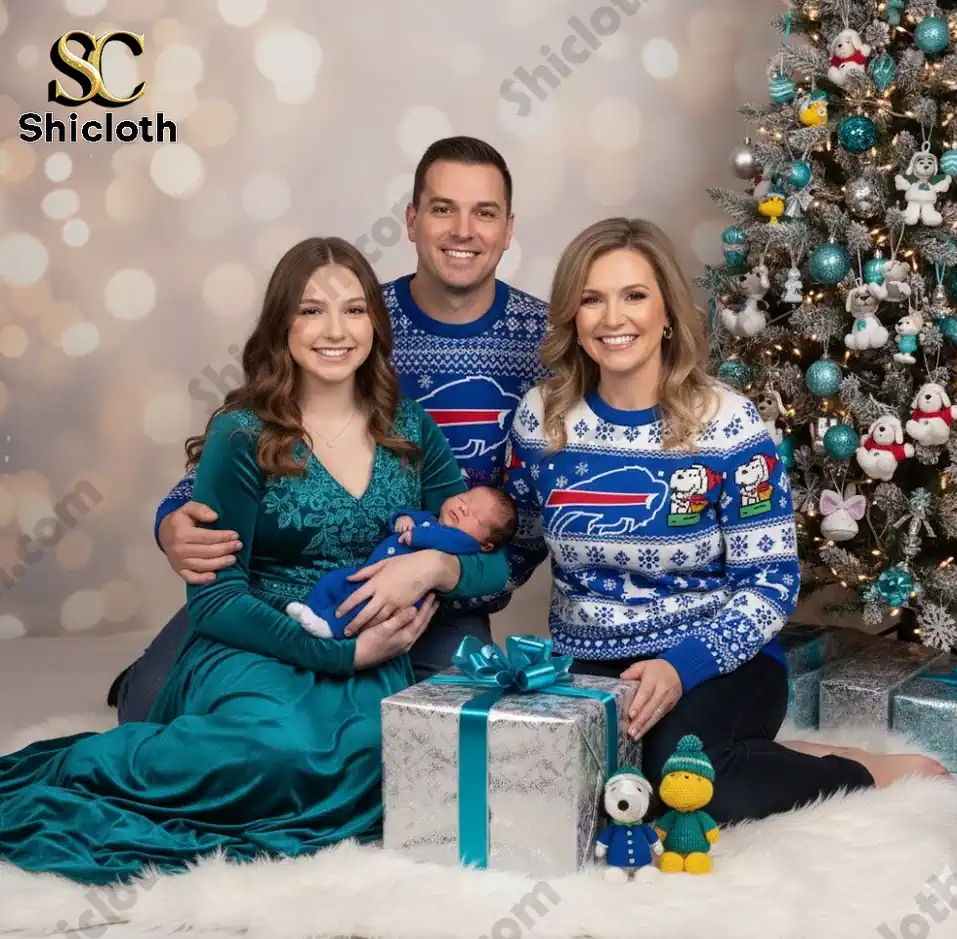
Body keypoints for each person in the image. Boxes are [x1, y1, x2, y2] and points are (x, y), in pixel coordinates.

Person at [0, 236, 510, 885]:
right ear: (282, 325)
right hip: (256, 639)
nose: (335, 330)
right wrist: (341, 655)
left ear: (375, 327)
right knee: (280, 751)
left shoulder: (411, 429)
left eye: (354, 310)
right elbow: (213, 601)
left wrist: (435, 568)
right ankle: (93, 765)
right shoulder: (241, 434)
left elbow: (491, 567)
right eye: (312, 310)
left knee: (371, 757)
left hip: (372, 649)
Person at [502, 216, 947, 827]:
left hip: (719, 658)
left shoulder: (726, 423)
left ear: (666, 315)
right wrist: (438, 565)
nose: (613, 319)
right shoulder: (542, 419)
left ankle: (861, 771)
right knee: (569, 790)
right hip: (587, 662)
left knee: (687, 783)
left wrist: (680, 667)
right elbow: (518, 546)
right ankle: (760, 756)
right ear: (572, 319)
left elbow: (769, 584)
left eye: (634, 296)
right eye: (592, 299)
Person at [108, 136, 549, 722]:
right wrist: (172, 517)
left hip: (442, 580)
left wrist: (441, 569)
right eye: (443, 208)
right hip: (292, 578)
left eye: (484, 212)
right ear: (413, 220)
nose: (463, 230)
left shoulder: (550, 344)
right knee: (155, 704)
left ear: (509, 227)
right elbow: (261, 442)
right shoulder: (357, 314)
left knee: (443, 735)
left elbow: (564, 488)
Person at [287, 486, 518, 639]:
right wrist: (403, 518)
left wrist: (419, 539)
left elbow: (448, 540)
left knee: (361, 608)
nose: (462, 508)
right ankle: (312, 610)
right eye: (463, 499)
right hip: (363, 573)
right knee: (332, 582)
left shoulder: (465, 543)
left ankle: (330, 629)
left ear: (486, 545)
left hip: (398, 596)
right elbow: (408, 516)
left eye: (475, 516)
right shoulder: (430, 518)